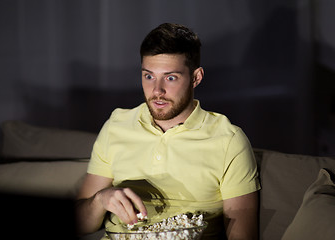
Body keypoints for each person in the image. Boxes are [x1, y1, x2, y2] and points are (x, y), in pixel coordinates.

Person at [76, 23, 260, 240]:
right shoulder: (117, 125)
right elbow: (81, 224)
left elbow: (243, 235)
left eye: (170, 77)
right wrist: (100, 200)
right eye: (149, 76)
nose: (157, 90)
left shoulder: (228, 140)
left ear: (196, 78)